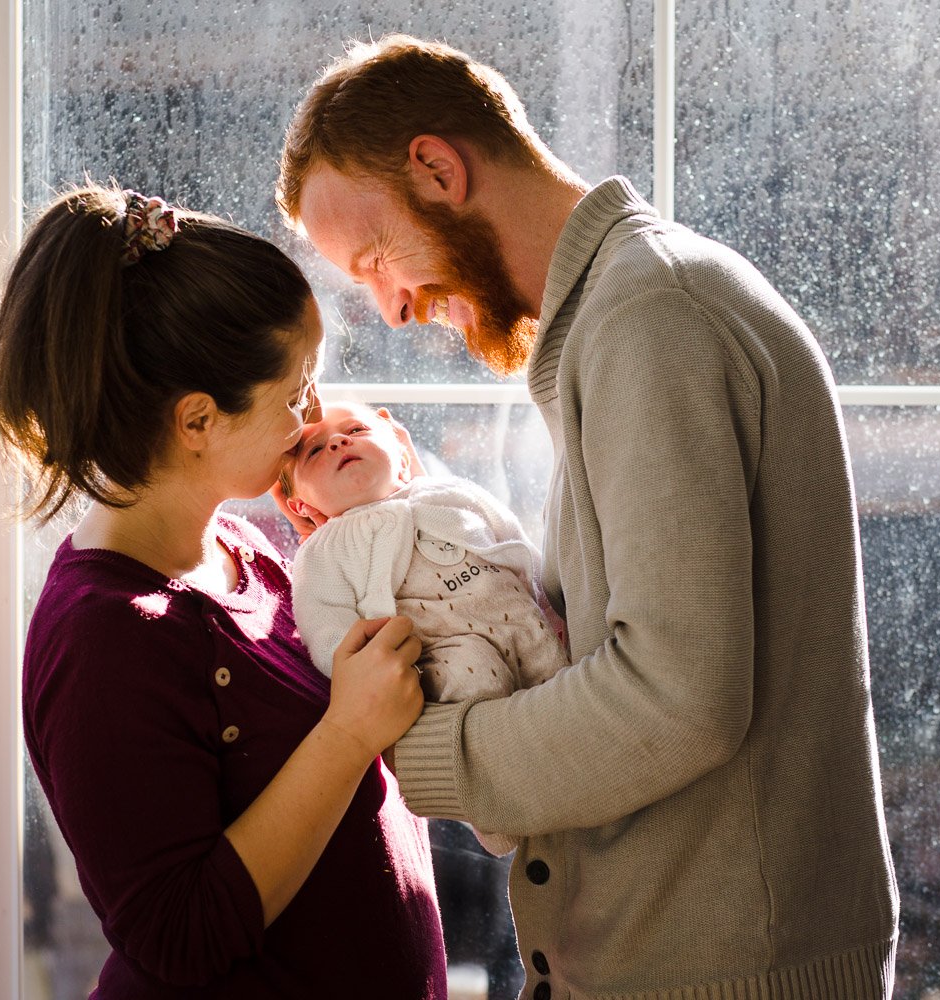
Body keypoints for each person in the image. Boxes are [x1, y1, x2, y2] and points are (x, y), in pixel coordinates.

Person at [275, 35, 900, 1000]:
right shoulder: (632, 308)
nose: (392, 310)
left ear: (439, 169)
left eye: (377, 258)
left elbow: (675, 696)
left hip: (725, 974)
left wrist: (408, 750)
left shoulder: (653, 320)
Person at [0, 184, 447, 998]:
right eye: (295, 391)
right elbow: (179, 932)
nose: (313, 417)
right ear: (198, 422)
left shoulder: (239, 549)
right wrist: (348, 735)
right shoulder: (106, 638)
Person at [282, 401, 567, 706]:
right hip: (444, 658)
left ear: (402, 456)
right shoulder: (323, 550)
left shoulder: (451, 492)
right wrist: (367, 673)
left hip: (525, 625)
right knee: (478, 680)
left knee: (563, 684)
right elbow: (324, 624)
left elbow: (519, 549)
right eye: (315, 451)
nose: (339, 442)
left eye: (357, 430)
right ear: (303, 506)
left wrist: (557, 615)